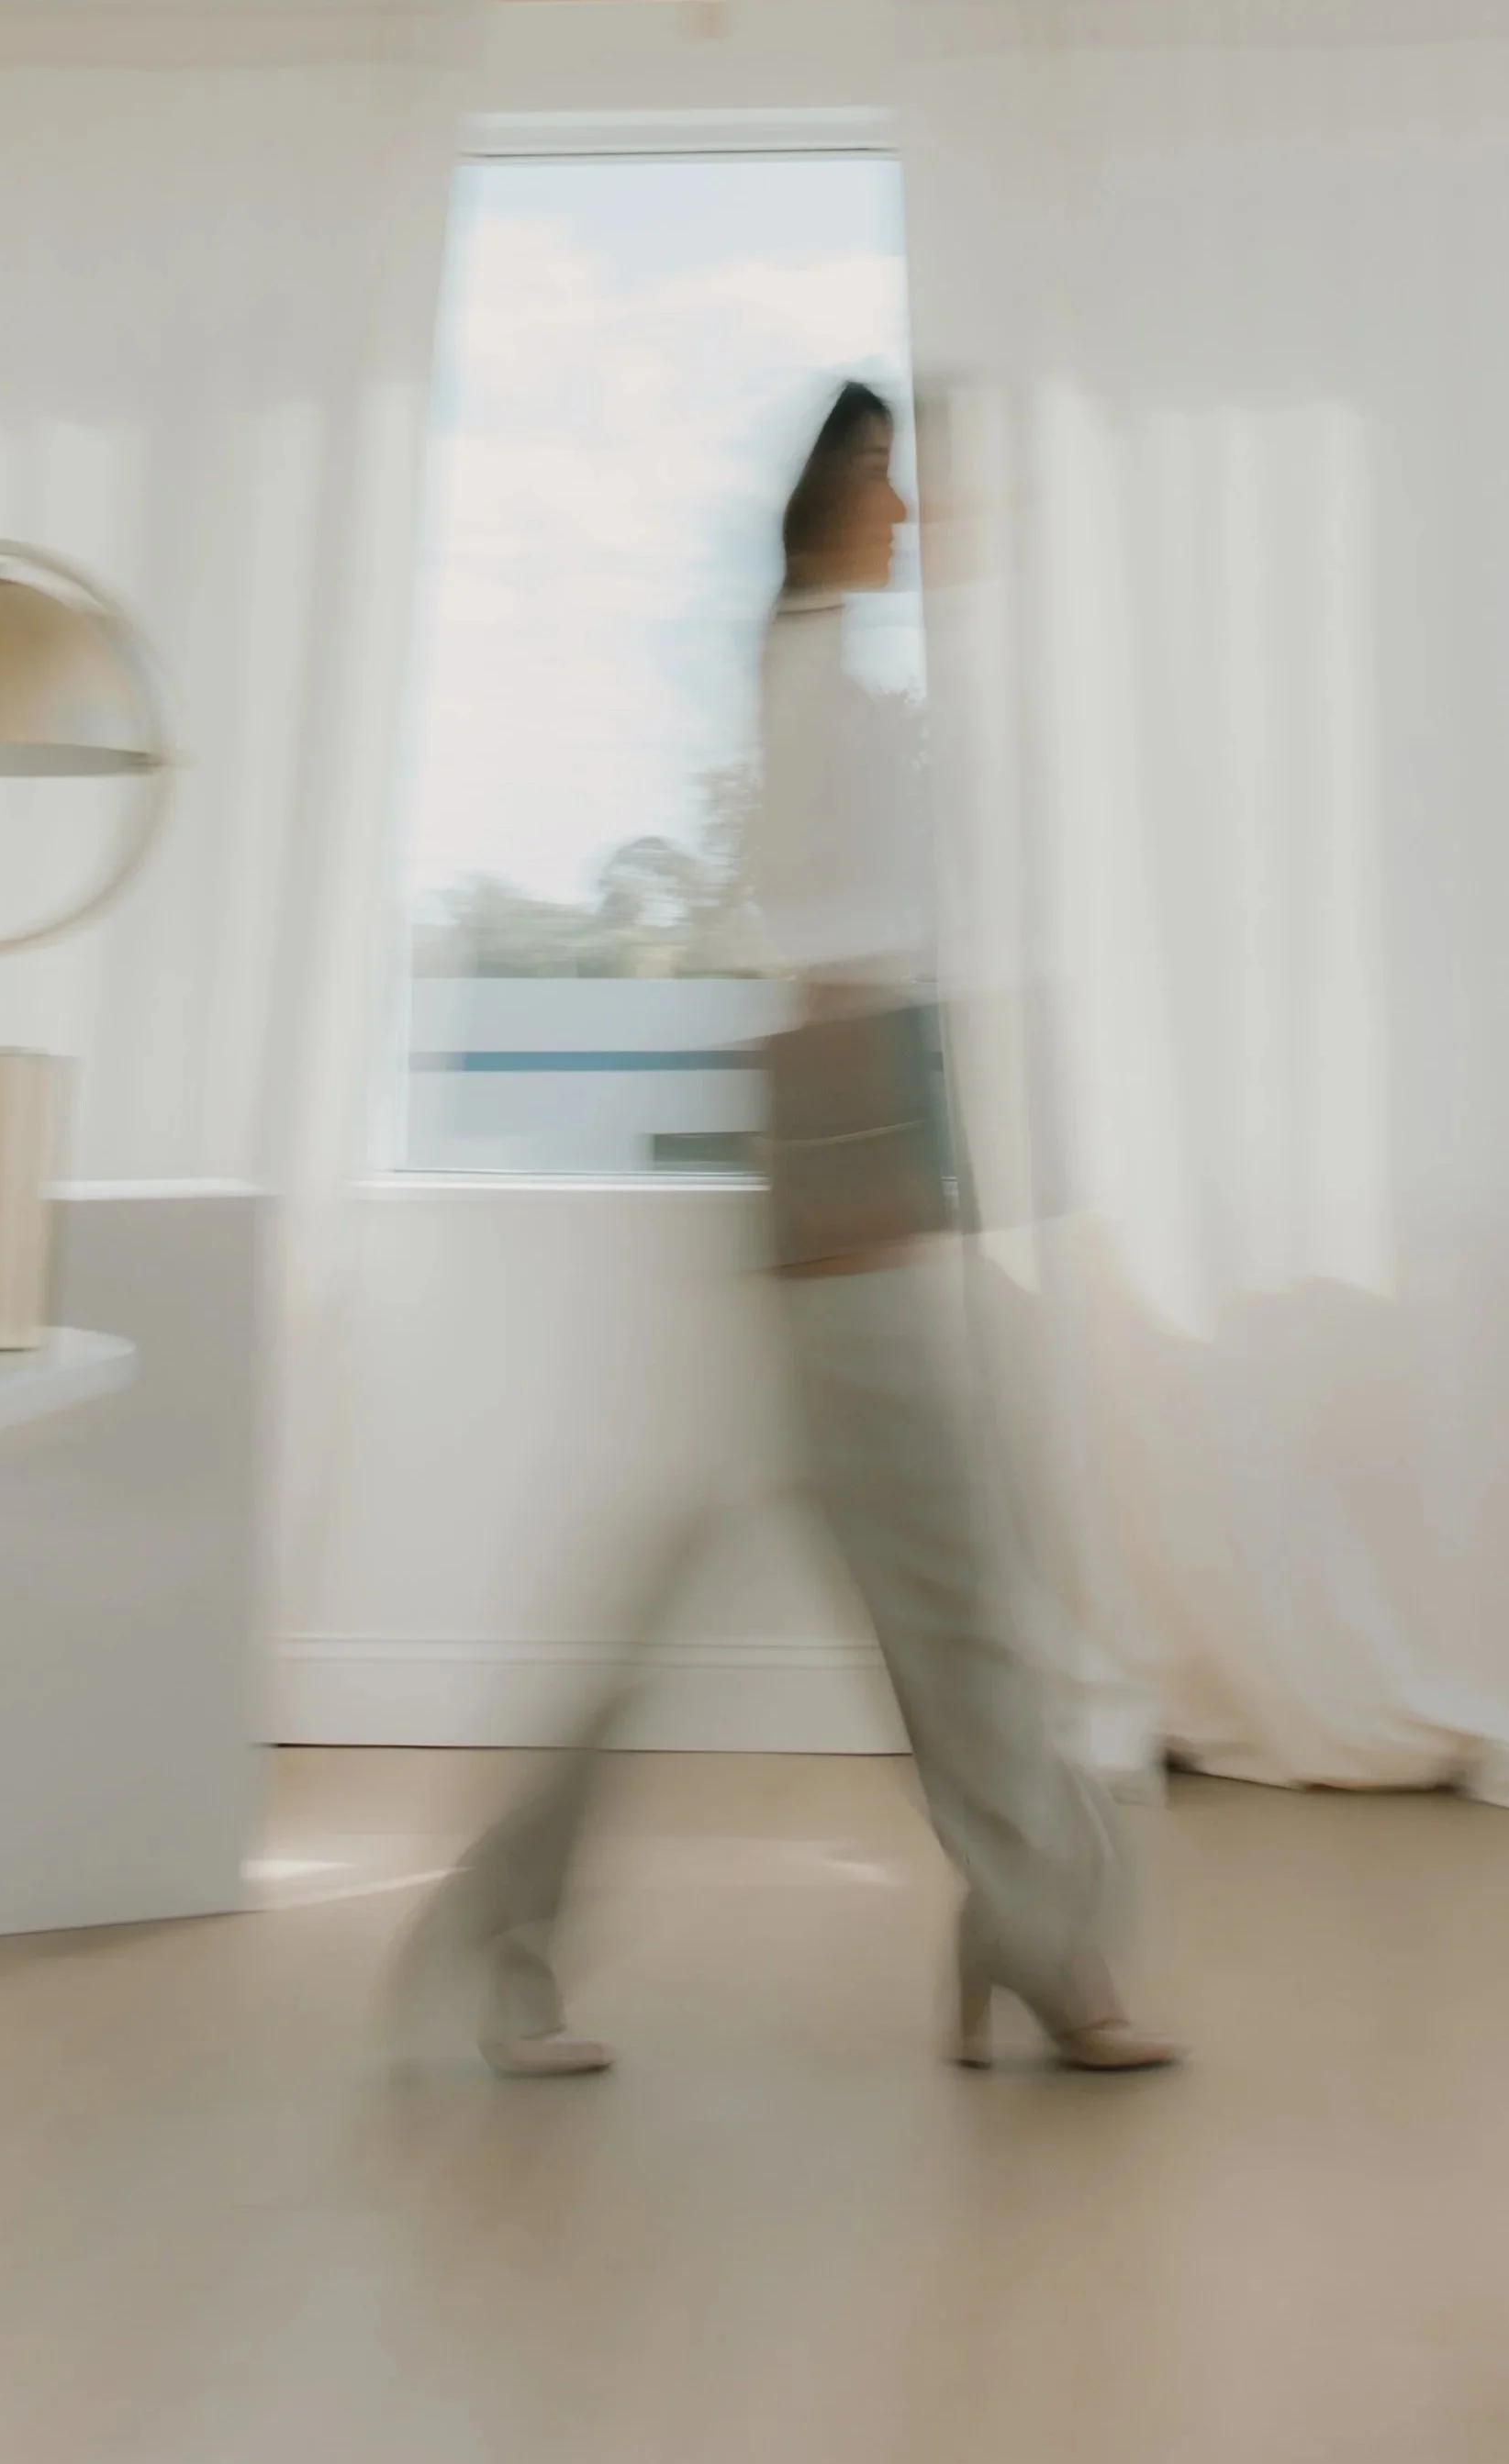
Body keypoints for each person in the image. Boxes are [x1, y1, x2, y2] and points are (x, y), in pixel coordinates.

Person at [389, 380, 1180, 2079]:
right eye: (887, 478)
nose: (908, 508)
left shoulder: (843, 672)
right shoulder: (817, 679)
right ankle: (1034, 1944)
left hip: (863, 1172)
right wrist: (865, 1212)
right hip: (848, 1182)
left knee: (833, 1581)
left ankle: (504, 1932)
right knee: (959, 1589)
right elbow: (837, 963)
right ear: (829, 500)